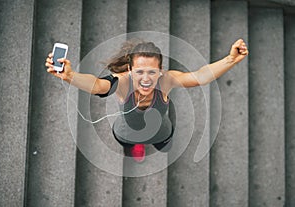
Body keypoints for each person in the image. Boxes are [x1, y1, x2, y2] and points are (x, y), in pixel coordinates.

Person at [45, 39, 248, 163]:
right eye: (140, 71)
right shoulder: (123, 83)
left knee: (164, 146)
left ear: (160, 70)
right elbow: (98, 86)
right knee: (131, 146)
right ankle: (137, 147)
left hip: (162, 131)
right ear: (130, 70)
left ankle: (153, 145)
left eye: (152, 71)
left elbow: (200, 76)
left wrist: (230, 60)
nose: (146, 78)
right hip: (126, 132)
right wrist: (70, 76)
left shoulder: (166, 81)